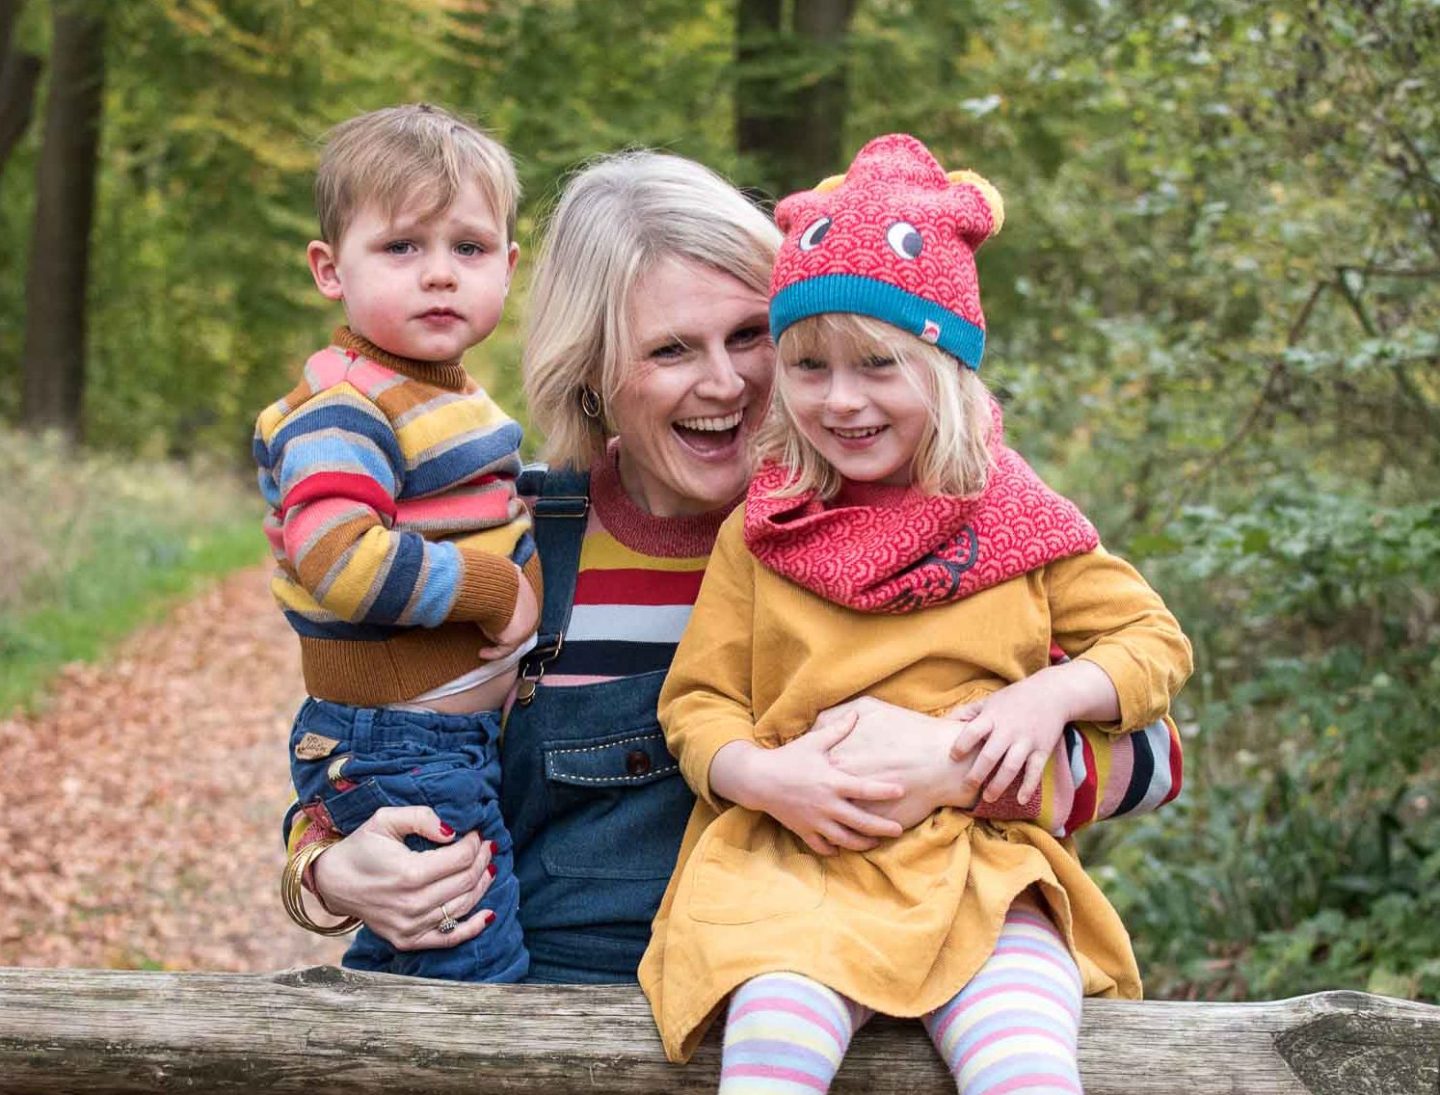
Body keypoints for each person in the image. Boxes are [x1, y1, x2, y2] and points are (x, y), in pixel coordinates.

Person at [280, 146, 1186, 989]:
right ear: (592, 371)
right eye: (672, 349)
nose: (727, 384)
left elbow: (1155, 755)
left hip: (834, 994)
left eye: (752, 335)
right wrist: (323, 868)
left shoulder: (905, 522)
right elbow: (379, 744)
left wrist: (951, 766)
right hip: (556, 1013)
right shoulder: (513, 539)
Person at [638, 134, 1194, 1093]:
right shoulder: (766, 530)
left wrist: (1051, 696)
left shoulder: (1015, 519)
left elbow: (1154, 643)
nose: (841, 400)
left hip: (977, 874)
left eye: (879, 365)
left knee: (1024, 1062)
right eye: (808, 366)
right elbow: (698, 703)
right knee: (771, 1050)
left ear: (945, 366)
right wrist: (766, 779)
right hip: (797, 868)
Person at [255, 103, 538, 982]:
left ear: (509, 266)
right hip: (400, 744)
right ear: (329, 269)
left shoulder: (451, 399)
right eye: (403, 247)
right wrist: (495, 590)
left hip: (444, 744)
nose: (440, 275)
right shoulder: (345, 405)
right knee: (467, 968)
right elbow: (339, 559)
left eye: (469, 248)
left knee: (431, 957)